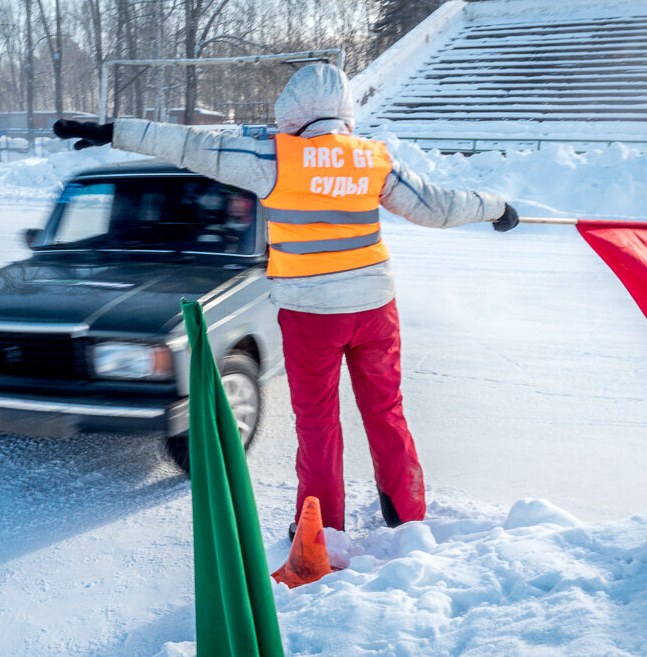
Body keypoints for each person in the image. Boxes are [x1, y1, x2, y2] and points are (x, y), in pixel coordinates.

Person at [55, 64, 518, 537]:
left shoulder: (271, 157)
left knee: (317, 424)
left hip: (311, 314)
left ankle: (322, 531)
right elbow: (437, 207)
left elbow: (188, 143)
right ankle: (407, 513)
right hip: (375, 310)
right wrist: (496, 207)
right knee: (386, 410)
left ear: (292, 110)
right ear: (343, 111)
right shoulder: (373, 158)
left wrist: (113, 130)